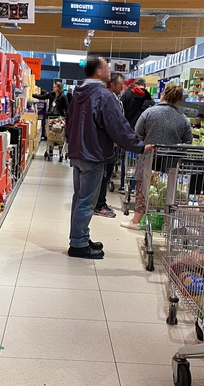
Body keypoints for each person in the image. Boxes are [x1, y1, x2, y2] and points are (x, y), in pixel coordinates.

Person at [66, 57, 153, 259]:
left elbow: (70, 123)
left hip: (78, 153)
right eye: (106, 66)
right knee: (87, 201)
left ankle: (80, 236)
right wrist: (139, 146)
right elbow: (118, 126)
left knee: (79, 198)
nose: (109, 69)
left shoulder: (78, 94)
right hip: (93, 154)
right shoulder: (103, 96)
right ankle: (78, 244)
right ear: (98, 71)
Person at [121, 83, 193, 230]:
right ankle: (167, 224)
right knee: (169, 192)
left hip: (149, 159)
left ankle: (135, 222)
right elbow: (188, 142)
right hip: (171, 163)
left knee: (143, 190)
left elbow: (137, 134)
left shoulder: (149, 112)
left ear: (164, 94)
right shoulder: (183, 118)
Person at [94, 72, 125, 218]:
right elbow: (114, 123)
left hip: (103, 144)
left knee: (104, 175)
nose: (122, 87)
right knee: (104, 175)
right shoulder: (110, 99)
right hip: (107, 145)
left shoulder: (105, 98)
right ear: (112, 84)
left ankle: (98, 203)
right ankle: (99, 205)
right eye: (120, 84)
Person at [118, 78, 153, 194]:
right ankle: (135, 185)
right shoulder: (149, 99)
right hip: (143, 134)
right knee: (140, 160)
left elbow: (119, 114)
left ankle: (124, 184)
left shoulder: (126, 96)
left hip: (127, 132)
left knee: (126, 159)